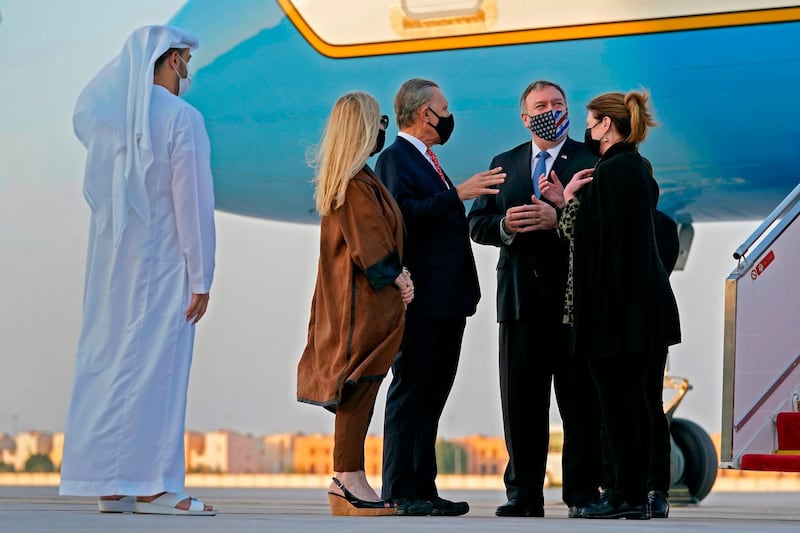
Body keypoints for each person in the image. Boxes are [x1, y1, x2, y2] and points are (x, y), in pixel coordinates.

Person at [59, 25, 216, 515]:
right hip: (167, 268)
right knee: (159, 372)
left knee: (112, 366)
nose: (186, 71)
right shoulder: (182, 119)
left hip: (111, 276)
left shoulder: (114, 125)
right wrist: (202, 276)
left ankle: (113, 486)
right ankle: (154, 485)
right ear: (171, 61)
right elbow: (192, 204)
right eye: (184, 61)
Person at [468, 80, 602, 518]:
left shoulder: (591, 158)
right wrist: (505, 225)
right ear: (525, 117)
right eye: (541, 106)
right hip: (519, 301)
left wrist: (559, 216)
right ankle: (523, 493)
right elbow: (478, 225)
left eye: (558, 104)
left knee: (580, 403)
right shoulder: (504, 164)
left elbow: (605, 223)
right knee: (521, 403)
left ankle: (582, 494)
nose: (551, 110)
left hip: (573, 303)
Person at [376, 78, 505, 516]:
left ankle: (423, 488)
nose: (449, 117)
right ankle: (398, 489)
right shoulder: (395, 159)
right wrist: (459, 195)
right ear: (422, 113)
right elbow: (402, 216)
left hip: (448, 300)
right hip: (422, 299)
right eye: (443, 108)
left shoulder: (428, 160)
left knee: (433, 397)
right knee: (411, 392)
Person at [557, 90, 681, 520]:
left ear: (606, 125)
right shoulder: (639, 171)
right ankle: (641, 493)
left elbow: (590, 243)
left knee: (619, 407)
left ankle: (625, 495)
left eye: (590, 122)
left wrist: (568, 202)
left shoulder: (608, 172)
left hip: (616, 314)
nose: (587, 131)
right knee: (641, 405)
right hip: (644, 311)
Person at [296, 91, 412, 517]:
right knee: (357, 388)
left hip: (359, 305)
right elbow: (371, 244)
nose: (384, 129)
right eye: (378, 121)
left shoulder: (353, 178)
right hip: (362, 309)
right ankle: (347, 478)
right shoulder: (355, 184)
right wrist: (399, 277)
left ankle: (350, 477)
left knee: (360, 389)